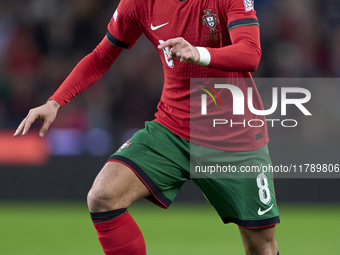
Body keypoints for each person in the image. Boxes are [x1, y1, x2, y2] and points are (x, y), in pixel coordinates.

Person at [14, 0, 280, 254]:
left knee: (261, 245)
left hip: (234, 135)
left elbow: (250, 53)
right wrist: (56, 101)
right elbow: (101, 57)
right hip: (173, 128)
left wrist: (198, 53)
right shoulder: (139, 3)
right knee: (103, 196)